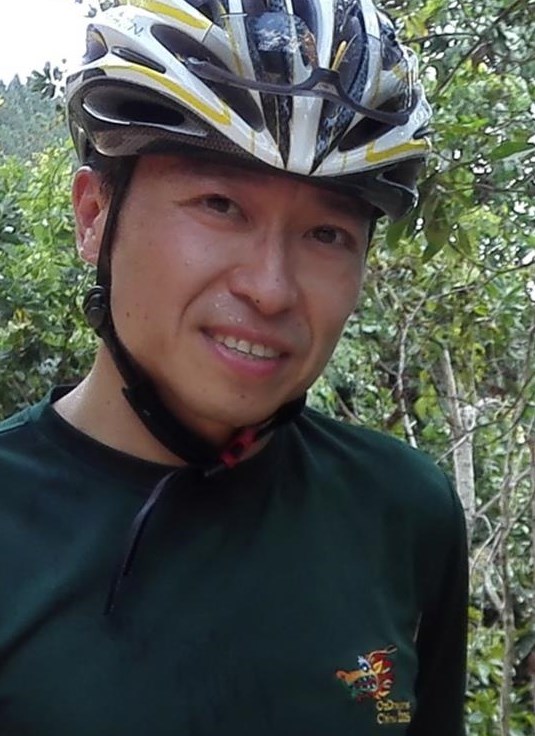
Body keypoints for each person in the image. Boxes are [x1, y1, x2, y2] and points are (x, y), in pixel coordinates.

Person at [0, 1, 468, 734]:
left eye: (326, 234)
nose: (271, 289)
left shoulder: (403, 513)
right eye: (219, 204)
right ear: (94, 217)